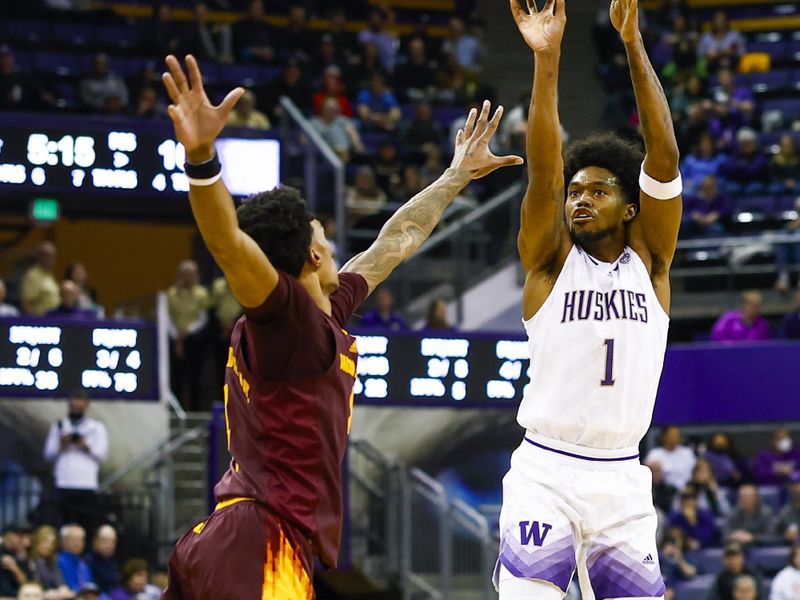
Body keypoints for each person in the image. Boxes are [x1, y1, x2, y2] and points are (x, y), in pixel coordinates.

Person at [159, 54, 521, 599]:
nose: (331, 240)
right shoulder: (286, 320)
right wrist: (202, 158)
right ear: (310, 254)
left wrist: (456, 177)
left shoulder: (324, 311)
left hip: (234, 534)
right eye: (321, 232)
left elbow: (393, 244)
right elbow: (229, 246)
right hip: (262, 538)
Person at [499, 0, 682, 596]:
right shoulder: (550, 265)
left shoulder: (650, 265)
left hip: (622, 479)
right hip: (545, 470)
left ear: (629, 207)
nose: (580, 200)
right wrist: (547, 60)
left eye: (598, 191)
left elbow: (663, 157)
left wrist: (631, 43)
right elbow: (545, 174)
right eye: (576, 192)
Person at [43, 391, 109, 533]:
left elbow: (102, 456)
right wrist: (61, 445)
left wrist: (86, 446)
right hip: (64, 483)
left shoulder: (96, 428)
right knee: (63, 526)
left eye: (80, 401)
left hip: (86, 484)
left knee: (86, 526)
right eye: (73, 400)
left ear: (87, 404)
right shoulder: (59, 426)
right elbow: (48, 455)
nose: (76, 405)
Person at [167, 260, 209, 411]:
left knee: (195, 377)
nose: (188, 277)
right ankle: (175, 410)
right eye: (185, 274)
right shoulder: (172, 293)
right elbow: (167, 316)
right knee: (176, 377)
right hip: (174, 339)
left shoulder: (202, 294)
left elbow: (203, 317)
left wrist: (188, 331)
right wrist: (176, 335)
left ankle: (194, 411)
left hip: (194, 340)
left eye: (191, 274)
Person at [27, 525, 73, 599]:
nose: (49, 546)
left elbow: (61, 583)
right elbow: (35, 587)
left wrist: (63, 590)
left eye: (52, 543)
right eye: (46, 542)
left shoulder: (53, 561)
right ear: (37, 541)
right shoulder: (30, 561)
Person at [646, 426, 697, 491]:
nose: (675, 438)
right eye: (672, 436)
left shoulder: (687, 453)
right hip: (663, 492)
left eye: (677, 436)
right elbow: (646, 476)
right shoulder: (654, 454)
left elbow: (695, 473)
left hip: (687, 491)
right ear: (664, 437)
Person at [20, 241, 60, 317]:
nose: (52, 259)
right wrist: (37, 322)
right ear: (40, 256)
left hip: (53, 321)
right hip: (41, 323)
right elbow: (26, 302)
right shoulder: (33, 276)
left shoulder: (49, 275)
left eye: (53, 256)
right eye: (48, 256)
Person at [56, 526, 93, 593]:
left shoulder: (83, 563)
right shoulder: (58, 560)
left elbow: (90, 586)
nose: (78, 543)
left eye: (81, 539)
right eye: (74, 539)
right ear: (64, 541)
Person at [84, 525, 119, 595]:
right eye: (105, 540)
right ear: (95, 541)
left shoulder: (113, 561)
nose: (109, 545)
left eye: (112, 541)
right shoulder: (87, 562)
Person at [0, 525, 32, 598]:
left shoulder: (20, 556)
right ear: (8, 536)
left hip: (19, 596)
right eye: (18, 536)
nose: (20, 539)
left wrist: (15, 569)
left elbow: (27, 584)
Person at [776, 473, 800, 545]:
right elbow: (774, 532)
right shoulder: (786, 510)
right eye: (793, 485)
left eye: (797, 484)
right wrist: (785, 534)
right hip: (792, 549)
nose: (796, 489)